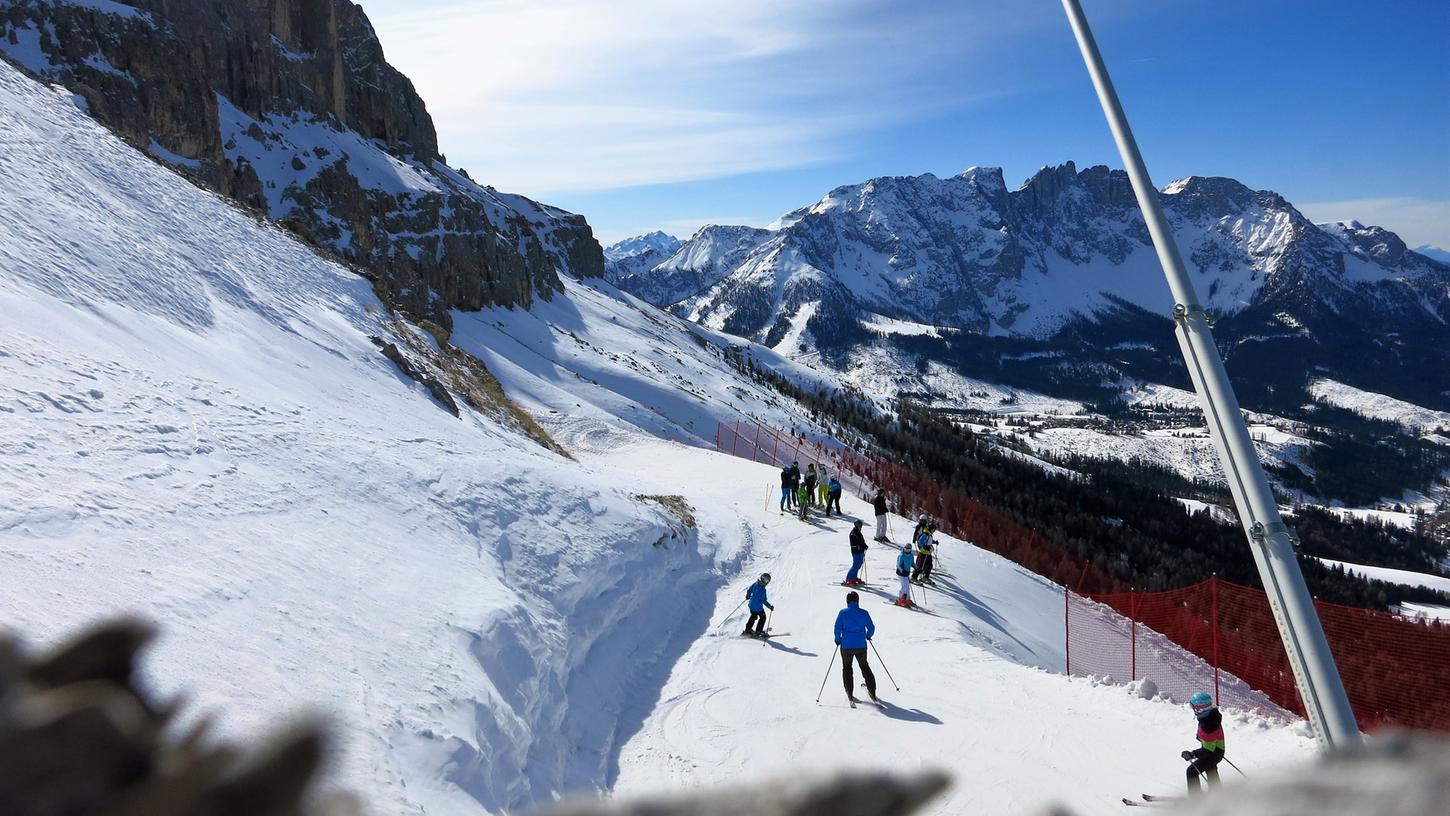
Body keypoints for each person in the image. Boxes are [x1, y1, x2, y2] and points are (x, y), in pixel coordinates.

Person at [833, 591, 878, 703]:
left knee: (847, 667)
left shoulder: (843, 613)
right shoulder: (864, 613)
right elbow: (871, 628)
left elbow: (837, 628)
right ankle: (872, 690)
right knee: (864, 666)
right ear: (857, 601)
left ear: (847, 601)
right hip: (861, 646)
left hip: (846, 646)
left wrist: (837, 640)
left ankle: (849, 692)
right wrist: (868, 636)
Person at [1182, 691, 1225, 793]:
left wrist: (1192, 754)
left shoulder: (1208, 727)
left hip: (1213, 753)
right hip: (1217, 751)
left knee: (1191, 771)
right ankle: (1217, 794)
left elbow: (1207, 751)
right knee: (1210, 768)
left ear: (1199, 708)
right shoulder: (1211, 716)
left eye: (1193, 707)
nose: (1193, 710)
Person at [743, 573, 774, 638]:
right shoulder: (762, 590)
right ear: (765, 581)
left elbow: (749, 590)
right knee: (763, 617)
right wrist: (770, 607)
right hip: (758, 608)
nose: (767, 583)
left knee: (753, 616)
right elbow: (764, 601)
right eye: (767, 581)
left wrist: (748, 596)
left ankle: (747, 630)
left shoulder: (756, 583)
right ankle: (758, 632)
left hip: (751, 605)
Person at [844, 520, 868, 586]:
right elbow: (855, 543)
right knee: (856, 565)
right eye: (860, 526)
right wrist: (862, 546)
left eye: (861, 526)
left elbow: (861, 541)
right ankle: (849, 579)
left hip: (860, 551)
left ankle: (854, 577)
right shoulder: (853, 533)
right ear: (857, 526)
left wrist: (864, 546)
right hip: (856, 552)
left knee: (859, 564)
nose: (861, 527)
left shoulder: (858, 532)